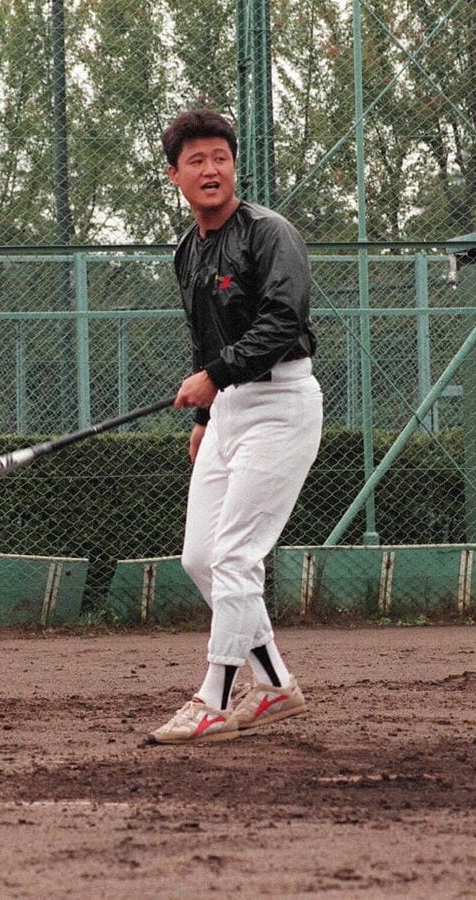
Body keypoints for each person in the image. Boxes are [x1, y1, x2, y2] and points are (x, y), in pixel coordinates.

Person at [147, 109, 324, 746]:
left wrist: (216, 379)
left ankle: (216, 699)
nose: (210, 169)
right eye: (195, 160)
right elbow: (207, 338)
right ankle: (274, 684)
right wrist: (205, 413)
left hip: (280, 403)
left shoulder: (270, 233)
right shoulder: (188, 250)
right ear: (175, 176)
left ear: (234, 165)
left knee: (235, 557)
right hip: (228, 410)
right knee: (201, 558)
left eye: (219, 157)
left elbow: (281, 322)